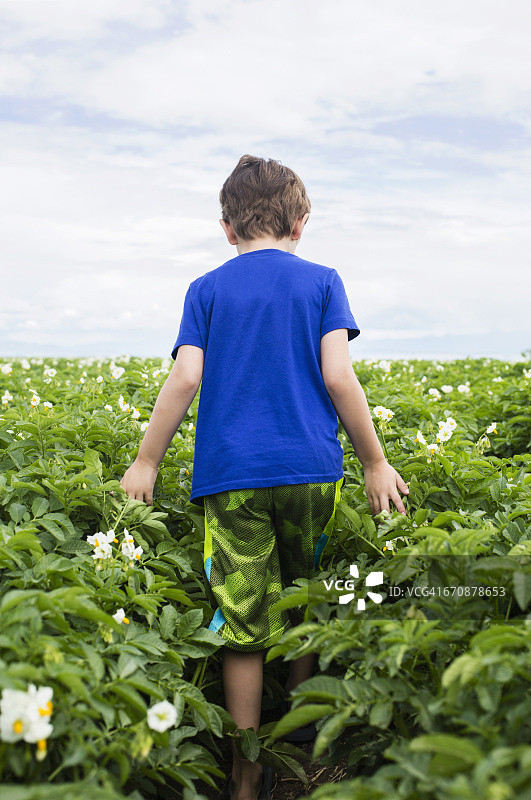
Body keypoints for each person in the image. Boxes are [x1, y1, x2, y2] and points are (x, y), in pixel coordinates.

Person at [120, 154, 409, 800]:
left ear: (227, 228)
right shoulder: (323, 282)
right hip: (311, 471)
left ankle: (247, 774)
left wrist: (146, 461)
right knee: (301, 594)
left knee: (241, 617)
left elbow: (187, 377)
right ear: (300, 222)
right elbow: (338, 376)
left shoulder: (207, 289)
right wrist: (373, 460)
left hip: (232, 478)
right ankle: (301, 744)